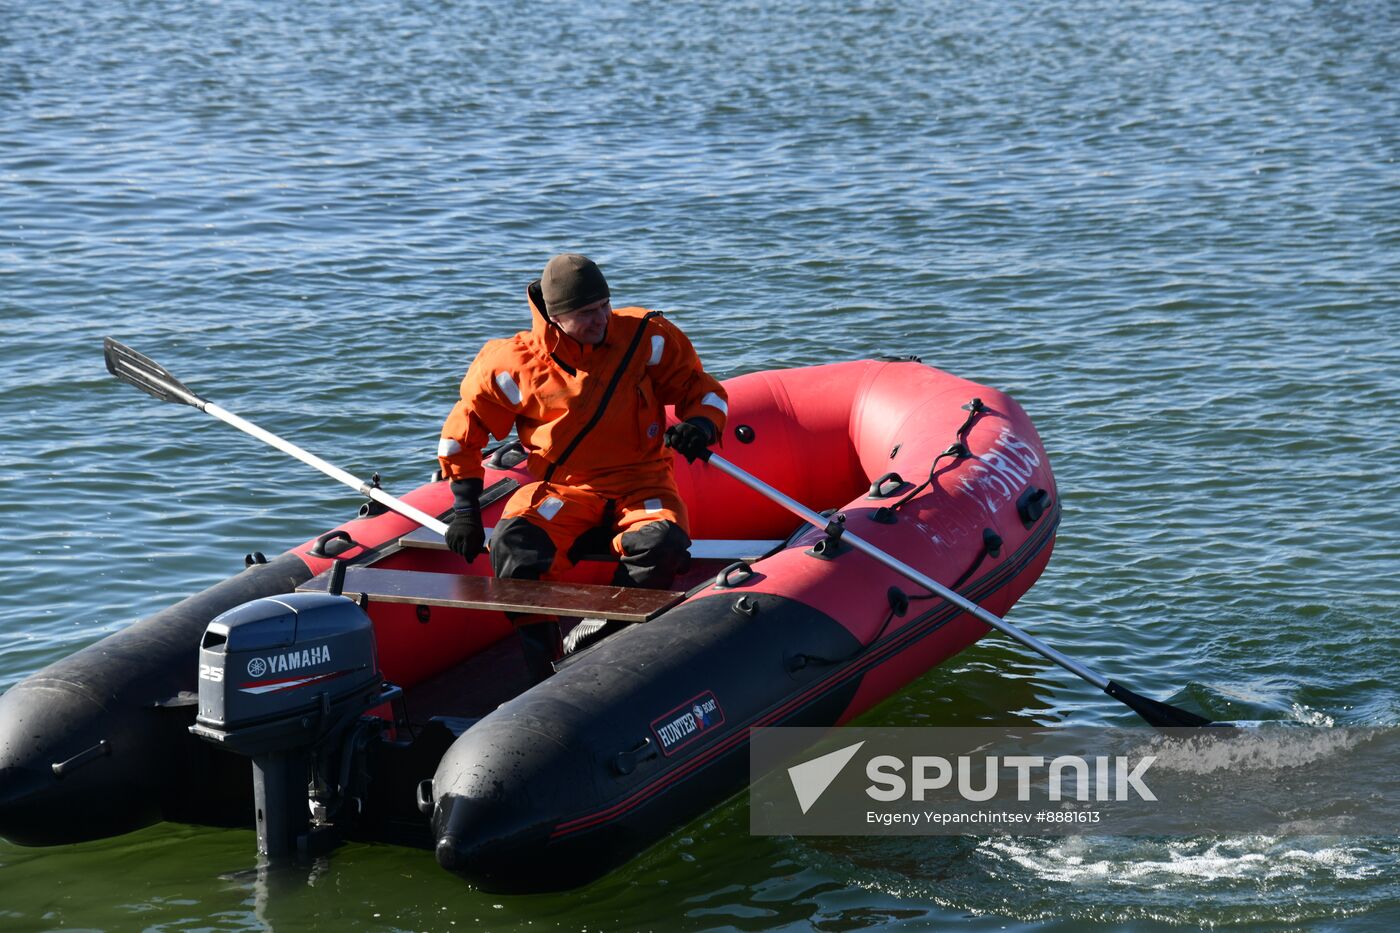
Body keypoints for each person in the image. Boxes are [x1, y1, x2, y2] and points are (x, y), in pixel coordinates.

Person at [436, 253, 728, 683]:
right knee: (515, 548)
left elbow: (699, 388)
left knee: (662, 541)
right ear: (555, 318)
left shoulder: (646, 337)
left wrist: (700, 426)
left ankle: (601, 638)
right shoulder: (511, 363)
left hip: (642, 478)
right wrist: (464, 509)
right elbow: (465, 428)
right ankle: (545, 669)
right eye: (586, 313)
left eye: (604, 306)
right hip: (565, 487)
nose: (601, 320)